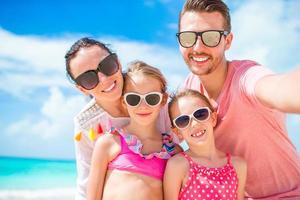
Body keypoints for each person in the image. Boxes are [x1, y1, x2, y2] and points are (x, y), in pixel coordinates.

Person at [177, 0, 300, 198]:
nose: (198, 47)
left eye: (210, 37)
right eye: (188, 37)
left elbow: (280, 88)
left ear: (228, 41)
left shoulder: (246, 78)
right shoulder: (189, 92)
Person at [65, 38, 171, 200]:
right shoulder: (86, 124)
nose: (103, 79)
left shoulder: (151, 94)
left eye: (107, 66)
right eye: (89, 79)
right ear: (82, 89)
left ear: (118, 63)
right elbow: (86, 185)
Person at [86, 61, 181, 200]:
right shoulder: (108, 143)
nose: (143, 106)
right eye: (133, 99)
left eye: (152, 98)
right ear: (124, 102)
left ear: (163, 100)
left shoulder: (173, 152)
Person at [164, 89, 247, 200]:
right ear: (178, 132)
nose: (194, 123)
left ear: (212, 118)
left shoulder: (238, 166)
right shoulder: (178, 166)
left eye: (200, 114)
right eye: (183, 120)